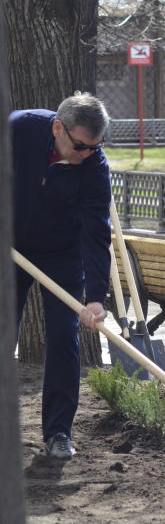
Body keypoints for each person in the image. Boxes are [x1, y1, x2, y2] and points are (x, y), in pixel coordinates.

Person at [11, 93, 112, 459]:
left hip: (62, 254)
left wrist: (97, 297)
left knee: (63, 337)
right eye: (81, 146)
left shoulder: (94, 167)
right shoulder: (19, 129)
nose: (87, 154)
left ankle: (57, 433)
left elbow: (96, 232)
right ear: (58, 127)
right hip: (12, 244)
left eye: (95, 148)